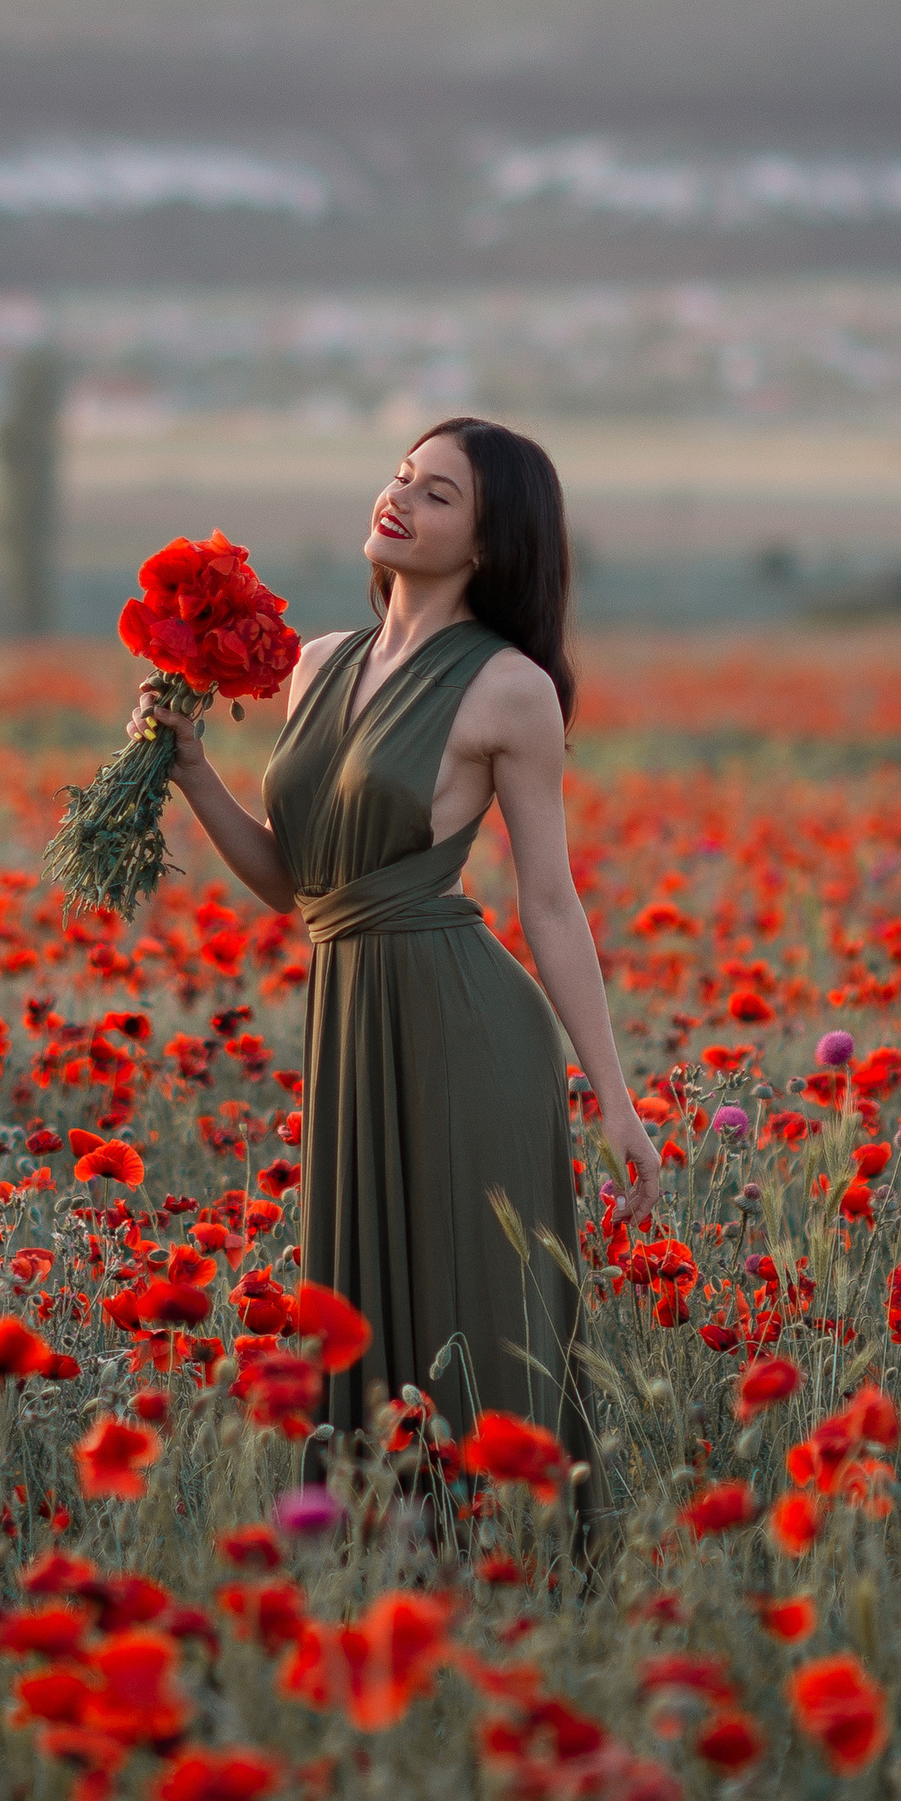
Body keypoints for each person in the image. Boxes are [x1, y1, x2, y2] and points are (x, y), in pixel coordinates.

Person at [132, 416, 662, 1490]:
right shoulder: (317, 665)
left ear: (486, 540)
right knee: (362, 1325)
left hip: (464, 1032)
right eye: (401, 476)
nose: (401, 499)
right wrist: (192, 771)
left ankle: (511, 1559)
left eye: (438, 495)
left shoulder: (511, 688)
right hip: (349, 1020)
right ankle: (382, 1561)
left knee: (470, 1313)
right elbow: (298, 884)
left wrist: (615, 1098)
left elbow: (550, 904)